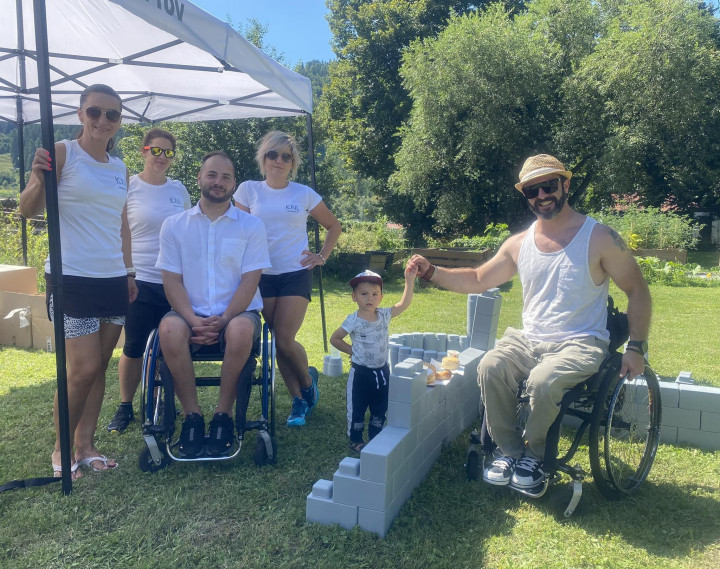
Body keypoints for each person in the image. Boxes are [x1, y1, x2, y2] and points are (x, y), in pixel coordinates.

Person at [407, 154, 651, 496]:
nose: (542, 196)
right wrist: (431, 271)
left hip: (581, 342)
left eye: (548, 186)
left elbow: (637, 290)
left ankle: (536, 457)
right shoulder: (519, 244)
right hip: (528, 340)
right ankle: (510, 453)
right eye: (532, 191)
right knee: (490, 366)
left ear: (565, 185)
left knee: (543, 381)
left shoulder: (599, 238)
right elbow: (477, 278)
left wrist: (636, 347)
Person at [19, 84, 137, 479]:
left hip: (112, 279)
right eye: (95, 112)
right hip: (71, 277)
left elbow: (121, 224)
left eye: (112, 114)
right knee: (81, 370)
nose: (103, 120)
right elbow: (28, 210)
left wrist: (129, 272)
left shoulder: (119, 168)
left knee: (99, 367)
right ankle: (62, 449)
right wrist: (39, 178)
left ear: (119, 121)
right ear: (80, 113)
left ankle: (86, 445)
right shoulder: (62, 152)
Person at [156, 150, 270, 457]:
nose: (218, 182)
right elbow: (172, 281)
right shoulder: (174, 225)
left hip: (238, 313)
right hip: (187, 313)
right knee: (168, 331)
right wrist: (194, 320)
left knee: (240, 331)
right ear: (199, 178)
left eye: (226, 177)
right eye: (212, 175)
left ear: (234, 183)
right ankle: (191, 416)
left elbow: (250, 281)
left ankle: (223, 415)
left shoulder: (251, 226)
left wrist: (224, 319)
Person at [234, 130, 341, 427]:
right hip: (261, 275)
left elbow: (334, 226)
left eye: (286, 156)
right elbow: (238, 232)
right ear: (263, 158)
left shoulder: (303, 193)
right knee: (278, 342)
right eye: (272, 154)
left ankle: (307, 383)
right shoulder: (247, 190)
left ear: (293, 163)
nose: (278, 161)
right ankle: (298, 400)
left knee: (284, 338)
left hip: (296, 273)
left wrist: (322, 256)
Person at [106, 128, 191, 434]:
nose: (161, 157)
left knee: (170, 347)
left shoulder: (179, 190)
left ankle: (164, 400)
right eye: (156, 150)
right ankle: (125, 406)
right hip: (138, 279)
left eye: (168, 152)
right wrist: (126, 272)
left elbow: (188, 232)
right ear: (144, 151)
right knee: (134, 346)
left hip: (173, 282)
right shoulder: (129, 187)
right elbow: (117, 231)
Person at [330, 268, 417, 453]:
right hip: (360, 374)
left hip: (382, 371)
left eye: (374, 294)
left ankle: (376, 437)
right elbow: (335, 339)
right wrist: (352, 352)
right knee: (357, 408)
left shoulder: (384, 315)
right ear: (354, 297)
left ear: (381, 297)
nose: (370, 298)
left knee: (380, 407)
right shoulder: (352, 320)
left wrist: (409, 281)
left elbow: (404, 304)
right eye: (364, 294)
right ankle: (355, 439)